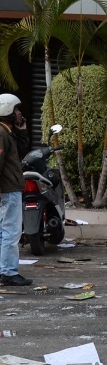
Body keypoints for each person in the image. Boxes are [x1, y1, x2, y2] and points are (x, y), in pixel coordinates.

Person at [0, 94, 30, 286]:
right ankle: (9, 272)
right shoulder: (1, 133)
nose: (20, 113)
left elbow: (19, 152)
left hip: (8, 188)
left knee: (5, 231)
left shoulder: (7, 132)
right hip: (8, 190)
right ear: (8, 110)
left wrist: (21, 132)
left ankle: (5, 269)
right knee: (11, 231)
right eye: (17, 109)